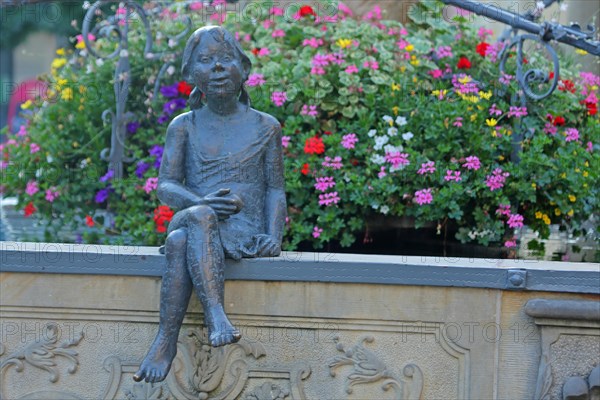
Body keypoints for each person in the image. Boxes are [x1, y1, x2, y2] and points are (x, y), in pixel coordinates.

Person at [133, 26, 286, 384]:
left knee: (178, 242)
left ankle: (165, 341)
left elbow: (275, 190)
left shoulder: (267, 127)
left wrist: (273, 236)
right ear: (190, 75)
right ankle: (216, 315)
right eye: (205, 61)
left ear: (244, 70)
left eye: (225, 59)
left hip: (239, 231)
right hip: (194, 215)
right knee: (199, 217)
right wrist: (201, 202)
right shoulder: (183, 126)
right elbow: (166, 186)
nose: (217, 68)